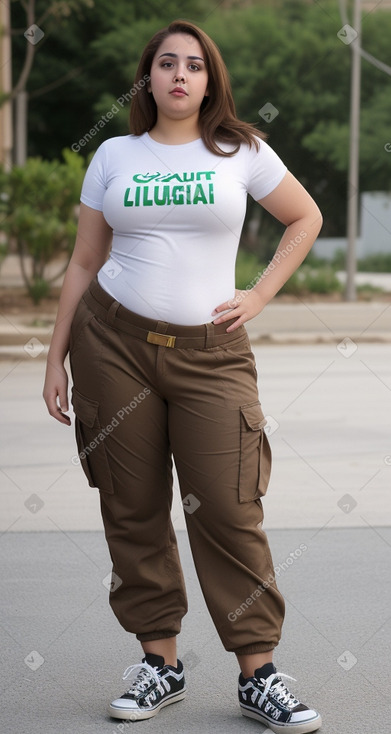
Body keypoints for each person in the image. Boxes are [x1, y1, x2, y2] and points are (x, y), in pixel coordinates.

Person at [43, 18, 323, 734]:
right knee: (130, 506)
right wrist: (55, 358)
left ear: (209, 79)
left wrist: (257, 294)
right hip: (111, 345)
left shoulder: (240, 151)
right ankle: (159, 663)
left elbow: (303, 218)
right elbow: (82, 261)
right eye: (165, 63)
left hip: (211, 353)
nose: (178, 75)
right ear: (148, 77)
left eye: (193, 65)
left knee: (229, 506)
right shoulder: (114, 155)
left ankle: (258, 673)